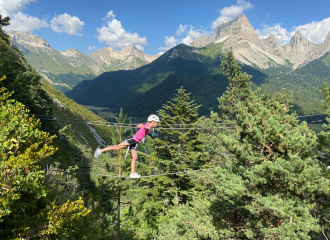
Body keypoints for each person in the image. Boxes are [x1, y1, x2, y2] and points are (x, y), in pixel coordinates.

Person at [94, 114, 160, 178]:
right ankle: (100, 150)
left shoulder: (149, 127)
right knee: (117, 147)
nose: (157, 124)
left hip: (134, 142)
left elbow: (142, 132)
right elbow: (139, 125)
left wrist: (142, 137)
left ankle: (132, 173)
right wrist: (144, 126)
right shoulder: (147, 125)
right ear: (153, 122)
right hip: (132, 140)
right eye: (157, 123)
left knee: (134, 157)